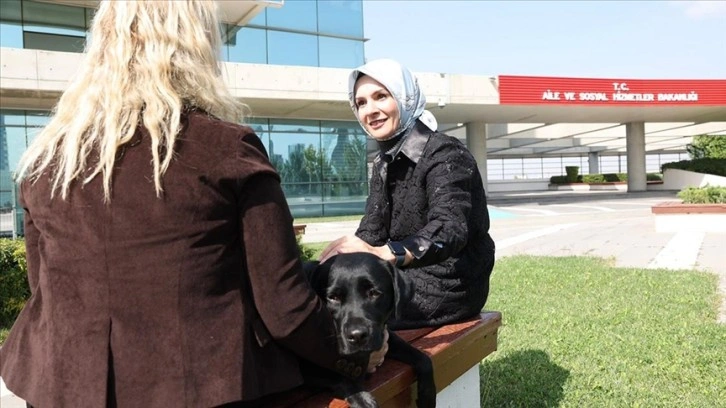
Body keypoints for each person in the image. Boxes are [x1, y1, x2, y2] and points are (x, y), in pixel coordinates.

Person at [0, 1, 385, 407]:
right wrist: (354, 358)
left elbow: (47, 292)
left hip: (63, 390)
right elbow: (284, 307)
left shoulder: (47, 162)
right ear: (196, 47)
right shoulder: (225, 149)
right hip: (199, 391)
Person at [319, 59, 496, 330]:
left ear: (404, 97)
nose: (371, 110)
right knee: (322, 296)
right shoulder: (383, 162)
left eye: (381, 96)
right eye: (361, 103)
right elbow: (371, 233)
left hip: (452, 283)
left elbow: (450, 229)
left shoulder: (446, 153)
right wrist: (336, 259)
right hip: (403, 275)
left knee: (345, 316)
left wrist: (389, 252)